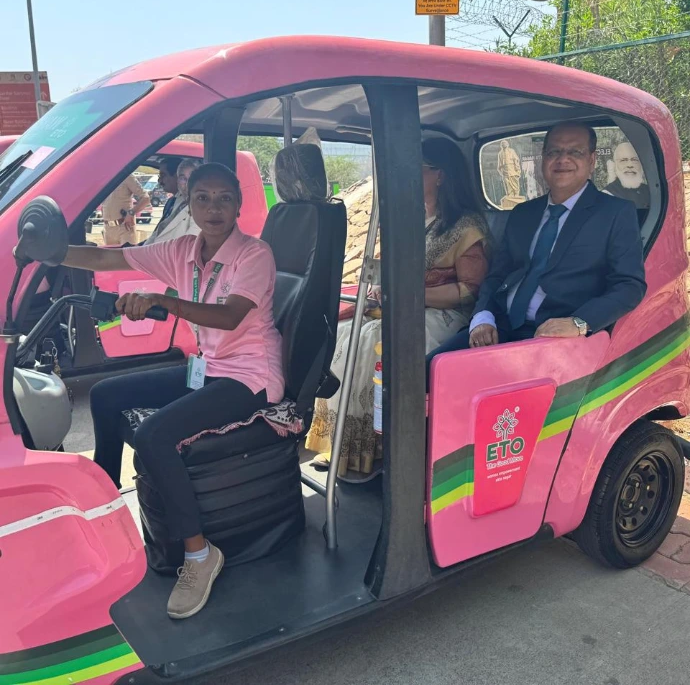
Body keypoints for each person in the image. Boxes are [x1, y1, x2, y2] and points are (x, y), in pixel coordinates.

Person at [61, 163, 284, 619]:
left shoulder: (254, 254)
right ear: (189, 202)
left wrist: (163, 301)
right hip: (208, 368)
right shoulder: (182, 250)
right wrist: (48, 253)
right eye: (203, 198)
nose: (213, 208)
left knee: (154, 435)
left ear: (239, 205)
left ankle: (200, 556)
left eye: (224, 198)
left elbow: (228, 317)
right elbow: (107, 259)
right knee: (105, 396)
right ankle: (106, 513)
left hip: (250, 377)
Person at [307, 137, 492, 478]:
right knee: (346, 332)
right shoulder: (412, 218)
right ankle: (342, 443)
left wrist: (412, 295)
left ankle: (376, 449)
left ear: (440, 175)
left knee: (376, 340)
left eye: (417, 168)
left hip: (444, 312)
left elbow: (469, 290)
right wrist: (384, 287)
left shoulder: (467, 227)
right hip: (403, 305)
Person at [426, 122, 647, 383]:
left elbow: (629, 285)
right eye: (554, 152)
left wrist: (579, 323)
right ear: (543, 159)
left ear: (592, 160)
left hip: (553, 334)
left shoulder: (615, 213)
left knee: (485, 394)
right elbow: (497, 274)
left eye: (574, 152)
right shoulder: (524, 213)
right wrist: (483, 316)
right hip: (498, 327)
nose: (562, 159)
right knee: (425, 376)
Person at [146, 158, 201, 244]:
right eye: (183, 178)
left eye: (192, 178)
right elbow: (159, 233)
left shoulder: (201, 210)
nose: (187, 183)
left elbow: (188, 244)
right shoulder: (179, 202)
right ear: (177, 180)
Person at [101, 174, 151, 245]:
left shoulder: (126, 176)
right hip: (108, 228)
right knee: (109, 252)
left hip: (124, 227)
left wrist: (131, 213)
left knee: (126, 252)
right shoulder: (104, 177)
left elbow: (145, 198)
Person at [603, 141, 650, 209]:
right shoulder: (607, 195)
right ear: (615, 165)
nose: (630, 165)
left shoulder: (650, 192)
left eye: (634, 160)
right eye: (623, 160)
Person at [158, 156, 184, 221]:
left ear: (177, 176)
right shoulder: (171, 202)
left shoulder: (186, 204)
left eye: (163, 175)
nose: (159, 180)